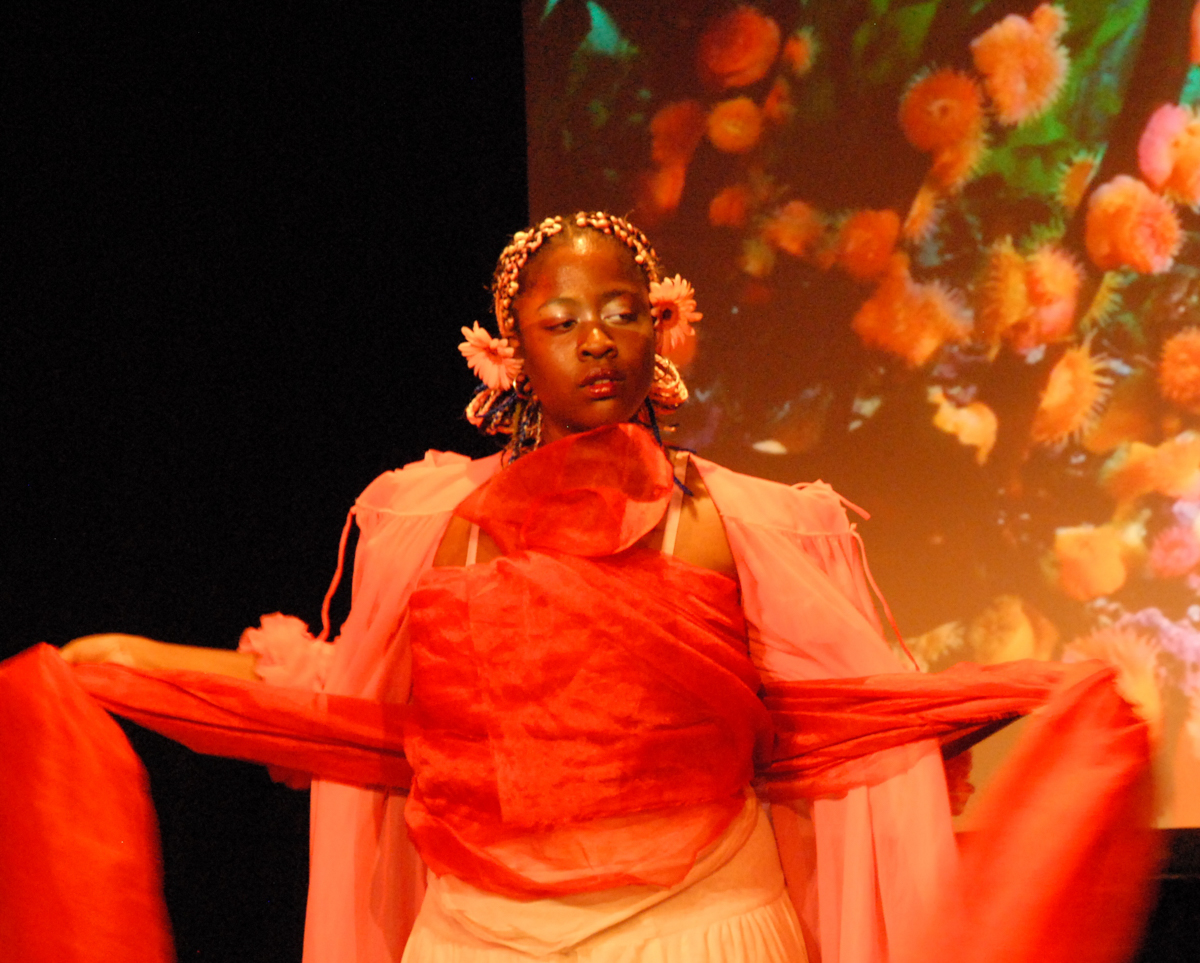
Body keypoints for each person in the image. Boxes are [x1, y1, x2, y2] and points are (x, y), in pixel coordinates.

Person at [51, 212, 1155, 963]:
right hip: (477, 937)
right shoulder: (424, 524)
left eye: (620, 311)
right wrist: (133, 668)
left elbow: (846, 719)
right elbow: (360, 712)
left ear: (661, 327)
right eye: (559, 320)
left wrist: (1042, 689)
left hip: (703, 928)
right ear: (510, 350)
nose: (594, 342)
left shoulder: (748, 522)